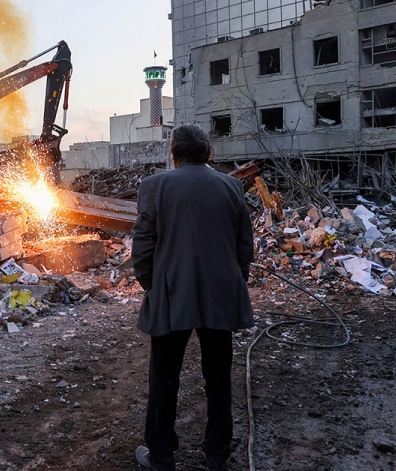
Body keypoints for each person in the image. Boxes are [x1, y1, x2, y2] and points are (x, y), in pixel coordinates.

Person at [132, 124, 254, 471]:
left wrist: (151, 285)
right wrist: (232, 282)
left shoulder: (155, 186)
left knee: (164, 380)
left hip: (173, 296)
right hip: (220, 296)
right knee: (218, 380)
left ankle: (161, 457)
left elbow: (142, 244)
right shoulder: (232, 186)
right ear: (207, 151)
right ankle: (216, 457)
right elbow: (245, 245)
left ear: (174, 152)